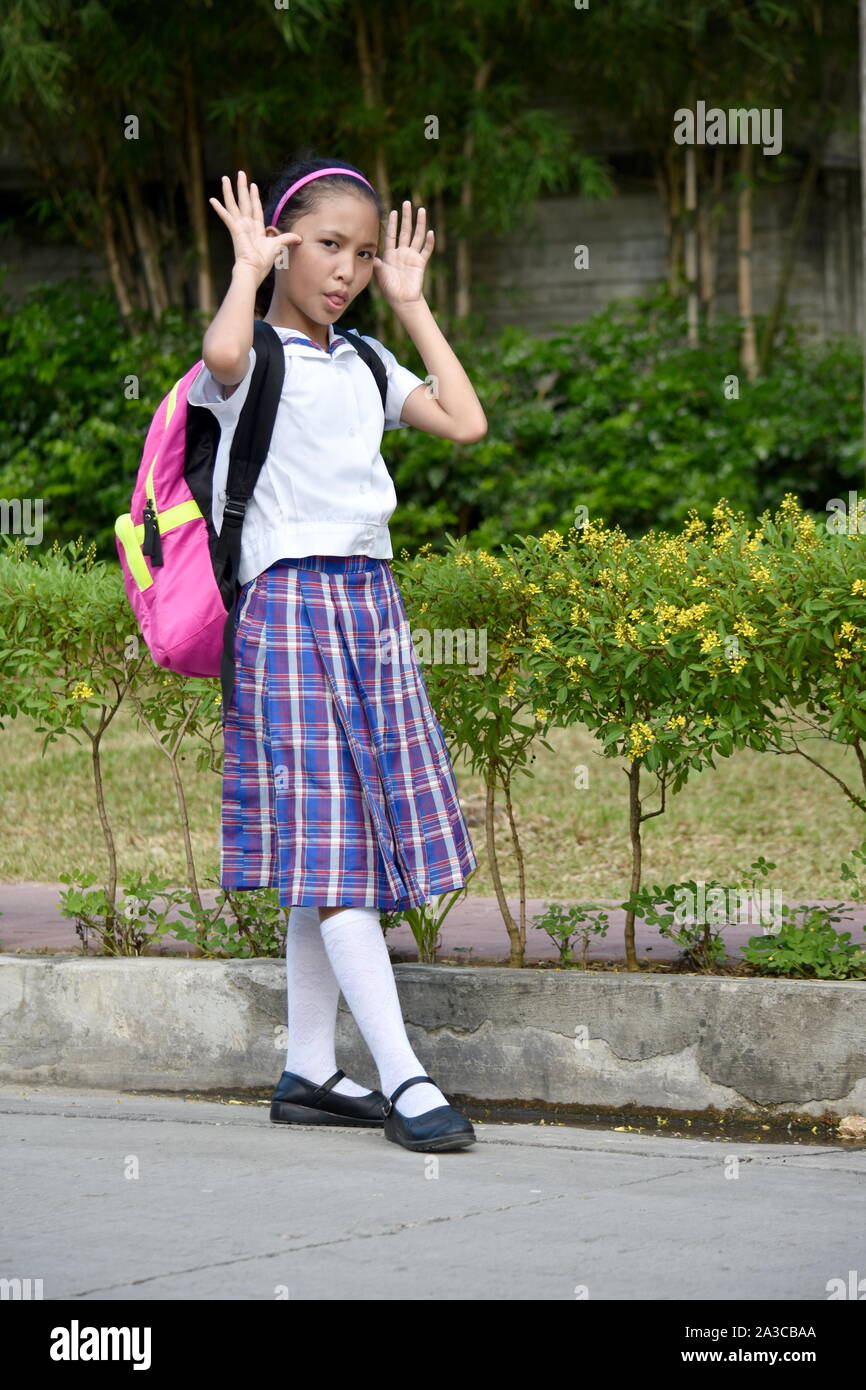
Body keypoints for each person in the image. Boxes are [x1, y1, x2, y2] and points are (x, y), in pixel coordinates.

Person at [189, 153, 487, 1152]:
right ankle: (403, 1076)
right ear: (282, 240)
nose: (346, 269)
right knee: (335, 850)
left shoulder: (362, 360)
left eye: (361, 254)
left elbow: (464, 421)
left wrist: (410, 305)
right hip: (289, 609)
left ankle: (309, 1065)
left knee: (339, 843)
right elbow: (222, 355)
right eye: (327, 245)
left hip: (369, 605)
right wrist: (243, 269)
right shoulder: (252, 362)